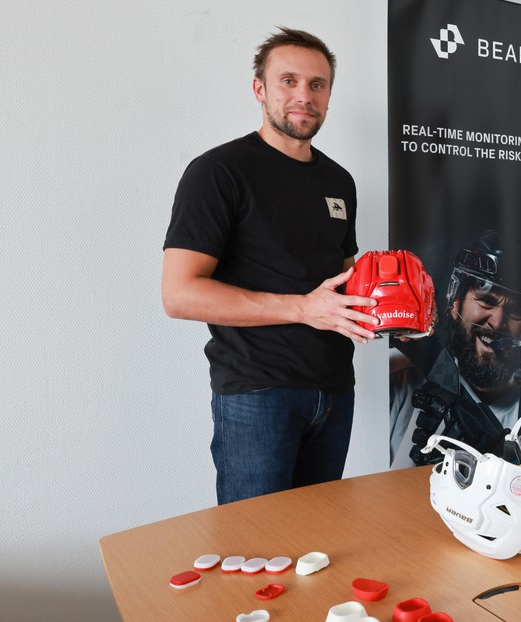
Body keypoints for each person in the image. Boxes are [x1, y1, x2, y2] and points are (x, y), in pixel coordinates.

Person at [161, 27, 380, 505]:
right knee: (256, 555)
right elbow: (179, 295)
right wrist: (303, 309)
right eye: (289, 81)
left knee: (320, 550)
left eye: (317, 85)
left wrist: (392, 305)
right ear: (260, 89)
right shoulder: (218, 173)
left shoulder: (339, 181)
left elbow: (343, 283)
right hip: (257, 395)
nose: (304, 96)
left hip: (334, 391)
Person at [390, 231, 521, 486]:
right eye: (486, 301)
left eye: (515, 313)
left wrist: (504, 462)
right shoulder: (401, 384)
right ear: (456, 303)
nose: (498, 322)